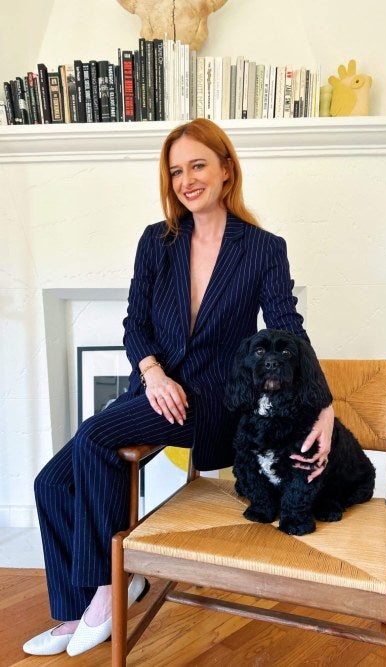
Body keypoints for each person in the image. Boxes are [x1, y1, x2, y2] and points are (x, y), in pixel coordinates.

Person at [23, 118, 334, 657]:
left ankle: (109, 590)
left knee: (95, 437)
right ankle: (80, 609)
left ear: (226, 170)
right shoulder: (157, 241)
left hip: (212, 401)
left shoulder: (262, 248)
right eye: (175, 171)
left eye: (197, 165)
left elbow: (287, 327)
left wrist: (323, 404)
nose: (186, 180)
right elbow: (133, 323)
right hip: (155, 387)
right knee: (51, 482)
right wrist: (152, 372)